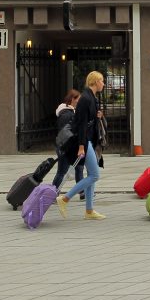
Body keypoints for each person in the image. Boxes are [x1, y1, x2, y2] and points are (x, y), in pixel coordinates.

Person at [55, 71, 107, 220]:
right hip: (84, 141)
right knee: (95, 175)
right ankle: (65, 198)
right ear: (95, 82)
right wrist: (82, 146)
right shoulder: (85, 98)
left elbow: (89, 121)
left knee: (91, 174)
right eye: (102, 81)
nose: (103, 84)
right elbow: (82, 124)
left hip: (89, 140)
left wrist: (98, 116)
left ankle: (89, 211)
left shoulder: (91, 97)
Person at [51, 89, 85, 191]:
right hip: (66, 148)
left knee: (79, 169)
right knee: (62, 172)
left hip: (70, 147)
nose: (79, 102)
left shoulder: (69, 112)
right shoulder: (67, 114)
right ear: (72, 99)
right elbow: (65, 133)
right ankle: (52, 193)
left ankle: (82, 192)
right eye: (78, 99)